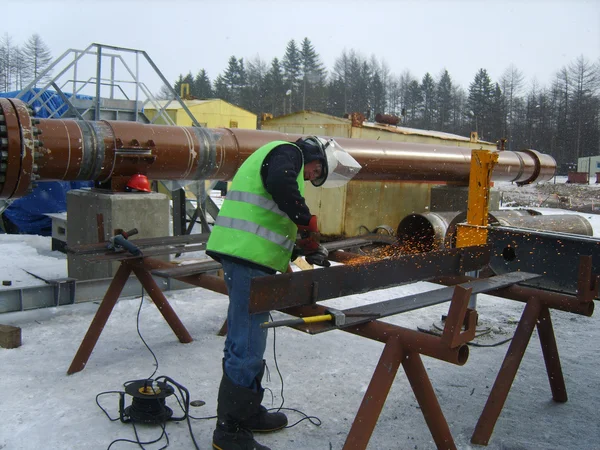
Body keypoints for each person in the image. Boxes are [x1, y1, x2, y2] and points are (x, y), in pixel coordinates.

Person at [206, 136, 332, 450]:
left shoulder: (281, 160)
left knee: (246, 338)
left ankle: (245, 413)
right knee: (247, 341)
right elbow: (280, 185)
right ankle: (230, 431)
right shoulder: (287, 153)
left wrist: (298, 250)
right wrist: (306, 222)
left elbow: (268, 220)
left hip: (248, 254)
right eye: (317, 170)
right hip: (246, 256)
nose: (312, 176)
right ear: (313, 155)